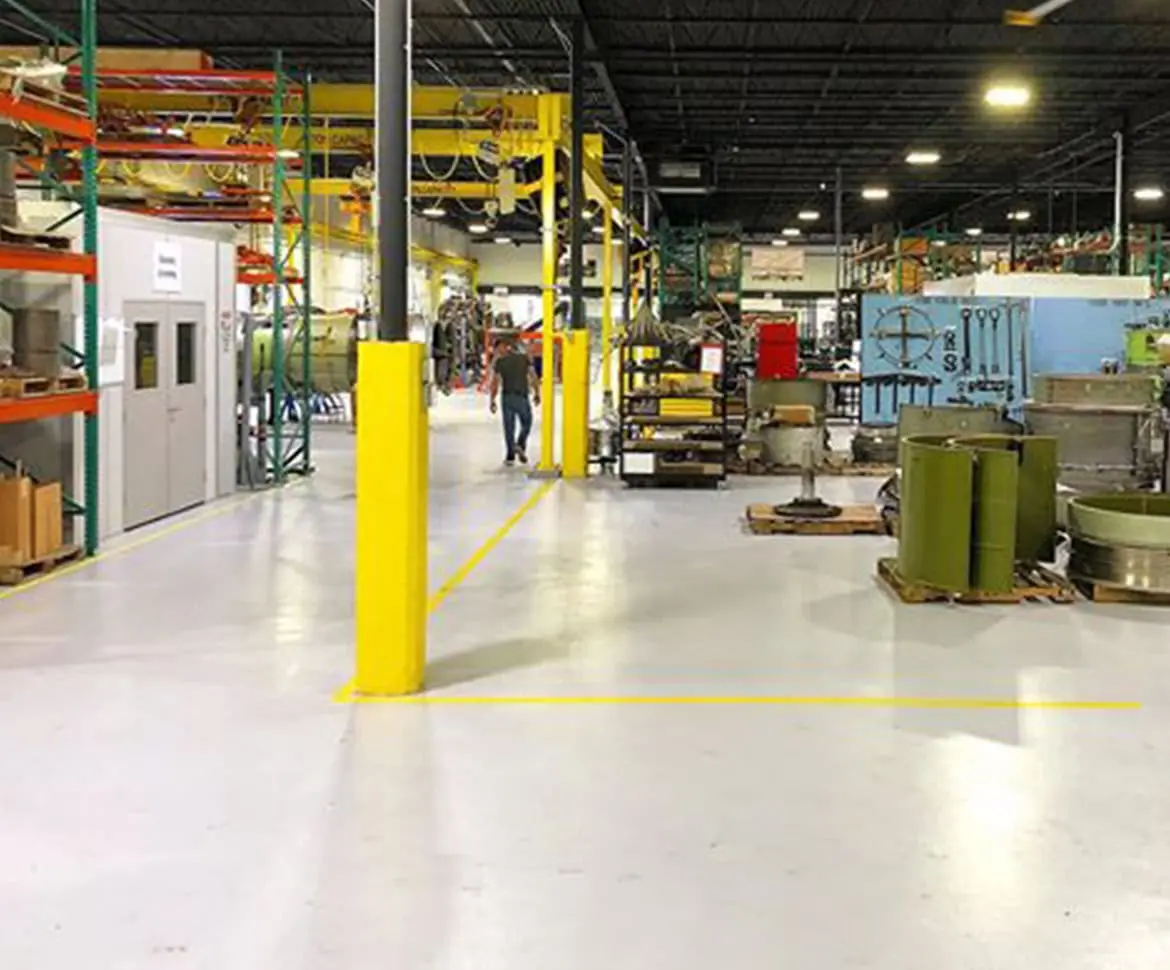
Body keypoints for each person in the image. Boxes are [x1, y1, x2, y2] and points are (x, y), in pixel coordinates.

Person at [489, 335, 539, 466]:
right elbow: (533, 375)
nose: (497, 352)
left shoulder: (500, 362)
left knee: (509, 428)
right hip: (522, 396)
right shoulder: (523, 359)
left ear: (504, 347)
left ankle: (511, 455)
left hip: (507, 398)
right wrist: (537, 393)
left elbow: (495, 382)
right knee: (527, 423)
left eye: (498, 349)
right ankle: (520, 445)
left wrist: (492, 400)